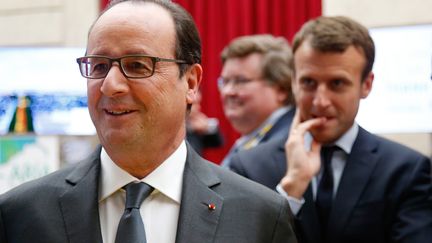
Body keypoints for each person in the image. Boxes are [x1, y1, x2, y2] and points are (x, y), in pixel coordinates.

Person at [0, 1, 298, 243]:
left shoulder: (259, 216)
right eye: (99, 66)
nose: (110, 85)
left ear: (191, 82)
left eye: (137, 66)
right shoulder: (21, 214)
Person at [229, 16, 432, 243]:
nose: (320, 101)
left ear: (366, 84)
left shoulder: (405, 170)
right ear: (294, 82)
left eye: (337, 83)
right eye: (308, 83)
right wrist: (291, 189)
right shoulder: (248, 167)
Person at [219, 34, 295, 166]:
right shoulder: (257, 137)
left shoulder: (287, 145)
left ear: (281, 89)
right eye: (225, 82)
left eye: (240, 81)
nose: (227, 91)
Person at [186, 90, 223, 155]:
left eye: (199, 103)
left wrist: (207, 127)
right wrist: (190, 128)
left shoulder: (197, 122)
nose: (198, 107)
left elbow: (218, 142)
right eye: (194, 104)